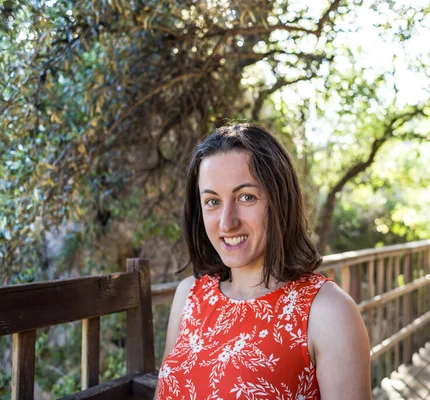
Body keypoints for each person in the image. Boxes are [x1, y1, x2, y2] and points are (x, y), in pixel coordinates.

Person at [156, 123, 371, 399]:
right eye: (212, 201)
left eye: (246, 197)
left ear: (280, 201)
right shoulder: (188, 296)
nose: (227, 222)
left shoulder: (328, 312)